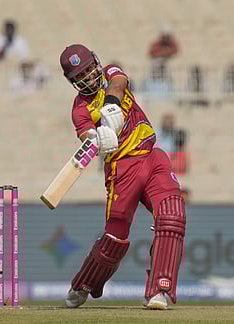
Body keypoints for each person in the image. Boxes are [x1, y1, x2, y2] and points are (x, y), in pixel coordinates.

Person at [59, 44, 186, 310]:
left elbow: (118, 84)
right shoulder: (80, 109)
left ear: (97, 63)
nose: (89, 78)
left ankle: (159, 290)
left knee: (172, 216)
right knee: (114, 238)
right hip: (121, 168)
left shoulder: (111, 73)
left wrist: (112, 109)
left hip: (152, 156)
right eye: (79, 77)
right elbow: (86, 136)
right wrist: (98, 138)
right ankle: (84, 283)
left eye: (89, 71)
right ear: (72, 82)